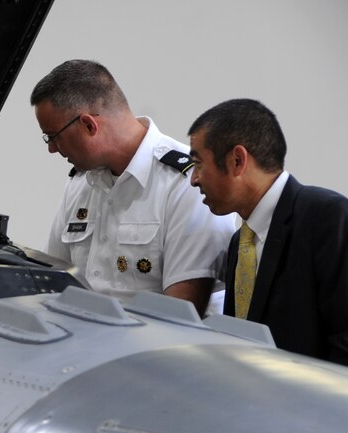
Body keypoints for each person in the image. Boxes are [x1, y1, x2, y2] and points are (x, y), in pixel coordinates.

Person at [31, 60, 235, 316]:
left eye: (53, 137)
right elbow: (51, 282)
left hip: (151, 349)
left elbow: (179, 317)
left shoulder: (186, 183)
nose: (52, 148)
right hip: (81, 341)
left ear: (88, 125)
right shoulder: (81, 182)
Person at [188, 98, 348, 369]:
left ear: (237, 160)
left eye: (198, 164)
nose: (194, 179)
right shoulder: (240, 241)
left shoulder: (328, 217)